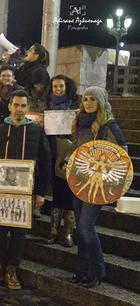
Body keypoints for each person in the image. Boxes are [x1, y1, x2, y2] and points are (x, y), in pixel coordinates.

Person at [0, 90, 51, 289]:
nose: (19, 109)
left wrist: (40, 192)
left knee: (19, 231)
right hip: (0, 190)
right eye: (16, 105)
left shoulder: (37, 131)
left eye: (23, 106)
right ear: (10, 106)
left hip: (26, 191)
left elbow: (46, 162)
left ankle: (11, 269)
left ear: (27, 108)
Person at [69, 86, 126, 288]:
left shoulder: (108, 125)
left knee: (86, 227)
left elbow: (122, 155)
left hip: (98, 184)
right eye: (85, 99)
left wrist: (104, 168)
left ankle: (97, 271)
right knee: (81, 229)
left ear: (101, 102)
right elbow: (76, 151)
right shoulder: (79, 122)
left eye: (93, 99)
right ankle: (82, 271)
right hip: (79, 181)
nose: (88, 102)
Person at [45, 75, 80, 247]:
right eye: (55, 86)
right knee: (57, 193)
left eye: (61, 86)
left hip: (69, 154)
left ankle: (67, 232)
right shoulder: (47, 106)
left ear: (67, 87)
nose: (58, 89)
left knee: (69, 192)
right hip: (52, 152)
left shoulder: (75, 107)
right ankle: (53, 230)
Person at [3, 43, 50, 114]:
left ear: (36, 55)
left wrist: (15, 85)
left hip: (31, 110)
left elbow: (37, 95)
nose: (27, 51)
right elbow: (12, 77)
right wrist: (7, 62)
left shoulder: (40, 72)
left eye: (30, 50)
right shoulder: (24, 69)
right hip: (20, 106)